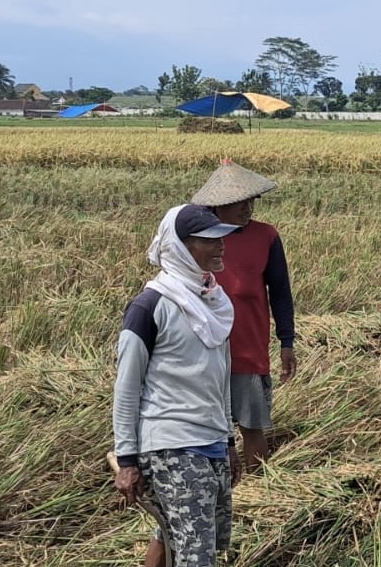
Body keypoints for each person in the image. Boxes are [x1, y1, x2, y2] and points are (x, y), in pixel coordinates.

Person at [113, 204, 242, 567]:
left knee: (182, 538)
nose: (220, 247)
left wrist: (229, 440)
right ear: (181, 247)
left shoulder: (215, 304)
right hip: (173, 446)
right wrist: (126, 459)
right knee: (196, 554)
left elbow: (220, 378)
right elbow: (126, 387)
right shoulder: (151, 306)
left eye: (221, 239)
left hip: (211, 442)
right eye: (208, 240)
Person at [191, 160, 296, 473]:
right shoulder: (198, 239)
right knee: (210, 428)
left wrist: (286, 341)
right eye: (240, 202)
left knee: (252, 425)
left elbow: (280, 292)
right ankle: (220, 487)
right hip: (204, 348)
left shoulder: (266, 237)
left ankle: (257, 490)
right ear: (218, 204)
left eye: (251, 201)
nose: (248, 208)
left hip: (248, 346)